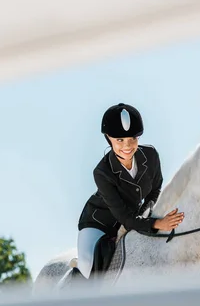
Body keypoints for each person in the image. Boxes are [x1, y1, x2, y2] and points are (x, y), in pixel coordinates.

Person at [75, 102, 185, 279]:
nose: (127, 146)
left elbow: (155, 189)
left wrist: (147, 213)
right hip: (99, 224)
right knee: (87, 265)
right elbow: (124, 218)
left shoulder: (151, 156)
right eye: (119, 140)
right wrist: (156, 224)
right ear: (108, 139)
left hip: (133, 217)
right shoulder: (102, 172)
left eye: (132, 139)